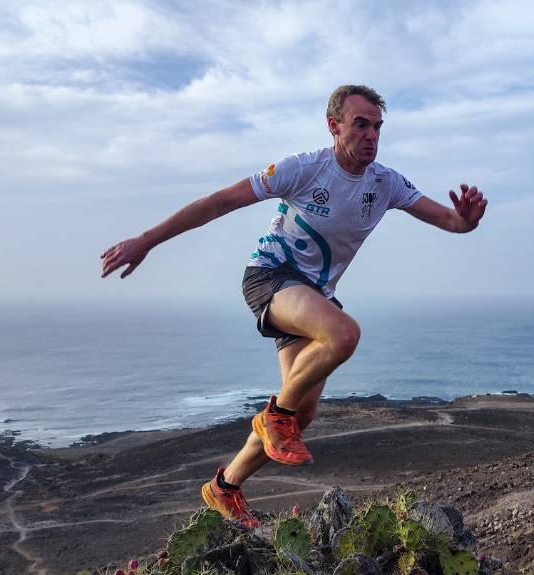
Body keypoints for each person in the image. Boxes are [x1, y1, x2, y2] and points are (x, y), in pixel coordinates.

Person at [100, 84, 487, 527]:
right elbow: (219, 202)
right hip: (271, 277)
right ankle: (274, 417)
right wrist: (147, 240)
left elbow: (450, 221)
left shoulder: (386, 183)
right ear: (334, 125)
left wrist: (467, 222)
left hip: (313, 296)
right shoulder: (302, 169)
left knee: (302, 413)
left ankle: (224, 487)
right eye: (360, 124)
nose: (371, 135)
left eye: (378, 127)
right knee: (343, 334)